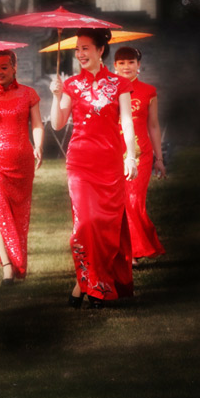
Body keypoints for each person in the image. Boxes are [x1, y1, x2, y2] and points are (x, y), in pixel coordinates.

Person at [50, 28, 136, 309]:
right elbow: (57, 124)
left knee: (104, 227)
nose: (80, 54)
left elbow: (127, 121)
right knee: (84, 225)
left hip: (110, 164)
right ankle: (97, 288)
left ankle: (82, 286)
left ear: (101, 50)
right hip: (80, 164)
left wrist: (131, 157)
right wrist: (55, 94)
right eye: (77, 49)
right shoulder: (72, 85)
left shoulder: (119, 84)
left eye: (86, 48)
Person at [0, 50, 44, 285]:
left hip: (22, 161)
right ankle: (6, 268)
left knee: (19, 214)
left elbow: (37, 125)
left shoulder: (28, 94)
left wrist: (39, 146)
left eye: (3, 67)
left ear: (14, 68)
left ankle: (17, 261)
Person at [113, 46, 166, 263]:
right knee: (118, 203)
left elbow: (153, 126)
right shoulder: (108, 90)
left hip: (141, 154)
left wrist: (159, 159)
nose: (127, 67)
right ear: (114, 66)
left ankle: (136, 249)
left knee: (133, 201)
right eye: (122, 63)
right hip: (113, 153)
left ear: (138, 65)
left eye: (131, 62)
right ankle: (128, 251)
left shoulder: (148, 91)